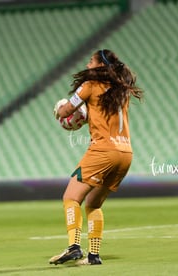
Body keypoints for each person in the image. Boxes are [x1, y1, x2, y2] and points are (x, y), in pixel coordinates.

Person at [51, 49, 143, 265]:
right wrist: (87, 116)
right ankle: (93, 256)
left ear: (100, 66)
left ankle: (74, 247)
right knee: (93, 203)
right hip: (125, 153)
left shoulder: (89, 85)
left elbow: (65, 112)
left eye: (91, 60)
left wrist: (60, 110)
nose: (87, 63)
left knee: (71, 197)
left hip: (103, 151)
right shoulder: (122, 89)